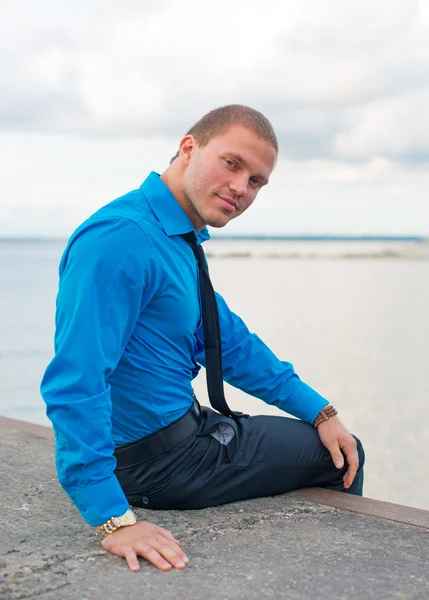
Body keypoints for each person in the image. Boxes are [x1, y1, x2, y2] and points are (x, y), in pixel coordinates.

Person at [41, 104, 365, 574]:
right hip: (160, 464)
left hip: (179, 438)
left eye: (256, 181)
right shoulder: (122, 238)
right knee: (340, 457)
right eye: (232, 164)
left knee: (337, 439)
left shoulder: (173, 236)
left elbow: (229, 342)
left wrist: (320, 410)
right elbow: (75, 381)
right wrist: (112, 518)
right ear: (188, 148)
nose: (241, 188)